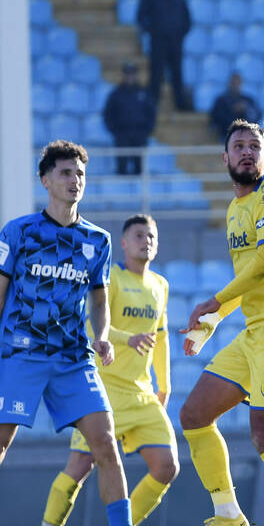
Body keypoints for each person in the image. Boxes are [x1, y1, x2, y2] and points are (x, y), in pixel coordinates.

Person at [180, 120, 264, 526]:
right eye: (238, 146)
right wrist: (213, 319)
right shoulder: (236, 209)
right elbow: (250, 278)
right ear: (225, 157)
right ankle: (228, 514)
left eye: (254, 146)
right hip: (256, 331)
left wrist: (214, 302)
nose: (246, 152)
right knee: (194, 414)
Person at [0, 141, 133, 526]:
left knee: (106, 445)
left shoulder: (98, 241)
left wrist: (103, 334)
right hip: (21, 355)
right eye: (65, 173)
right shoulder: (18, 232)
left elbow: (99, 300)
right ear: (45, 180)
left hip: (73, 359)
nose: (75, 180)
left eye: (80, 174)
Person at [43, 215, 177, 526]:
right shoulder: (111, 279)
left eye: (152, 236)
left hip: (142, 392)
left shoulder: (161, 285)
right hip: (104, 388)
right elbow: (92, 324)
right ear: (124, 243)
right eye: (140, 235)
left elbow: (162, 337)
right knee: (80, 466)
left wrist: (165, 384)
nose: (147, 241)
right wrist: (126, 338)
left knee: (166, 466)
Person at [137, 0, 191, 111]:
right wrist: (153, 31)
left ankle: (181, 105)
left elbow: (187, 19)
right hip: (158, 41)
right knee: (156, 74)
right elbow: (141, 18)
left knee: (177, 74)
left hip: (175, 41)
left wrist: (179, 34)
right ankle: (152, 105)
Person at [103, 62, 156, 175]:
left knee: (139, 168)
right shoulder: (116, 94)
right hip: (122, 133)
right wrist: (115, 131)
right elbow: (108, 114)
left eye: (132, 74)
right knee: (122, 166)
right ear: (124, 75)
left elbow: (151, 113)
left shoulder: (144, 93)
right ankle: (121, 190)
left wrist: (147, 131)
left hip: (140, 133)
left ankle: (139, 191)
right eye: (128, 74)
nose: (130, 77)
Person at [210, 73, 261, 142]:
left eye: (237, 82)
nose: (235, 85)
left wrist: (246, 109)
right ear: (229, 83)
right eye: (233, 82)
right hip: (226, 136)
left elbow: (257, 116)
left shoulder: (248, 100)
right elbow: (216, 119)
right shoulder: (221, 101)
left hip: (246, 136)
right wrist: (232, 111)